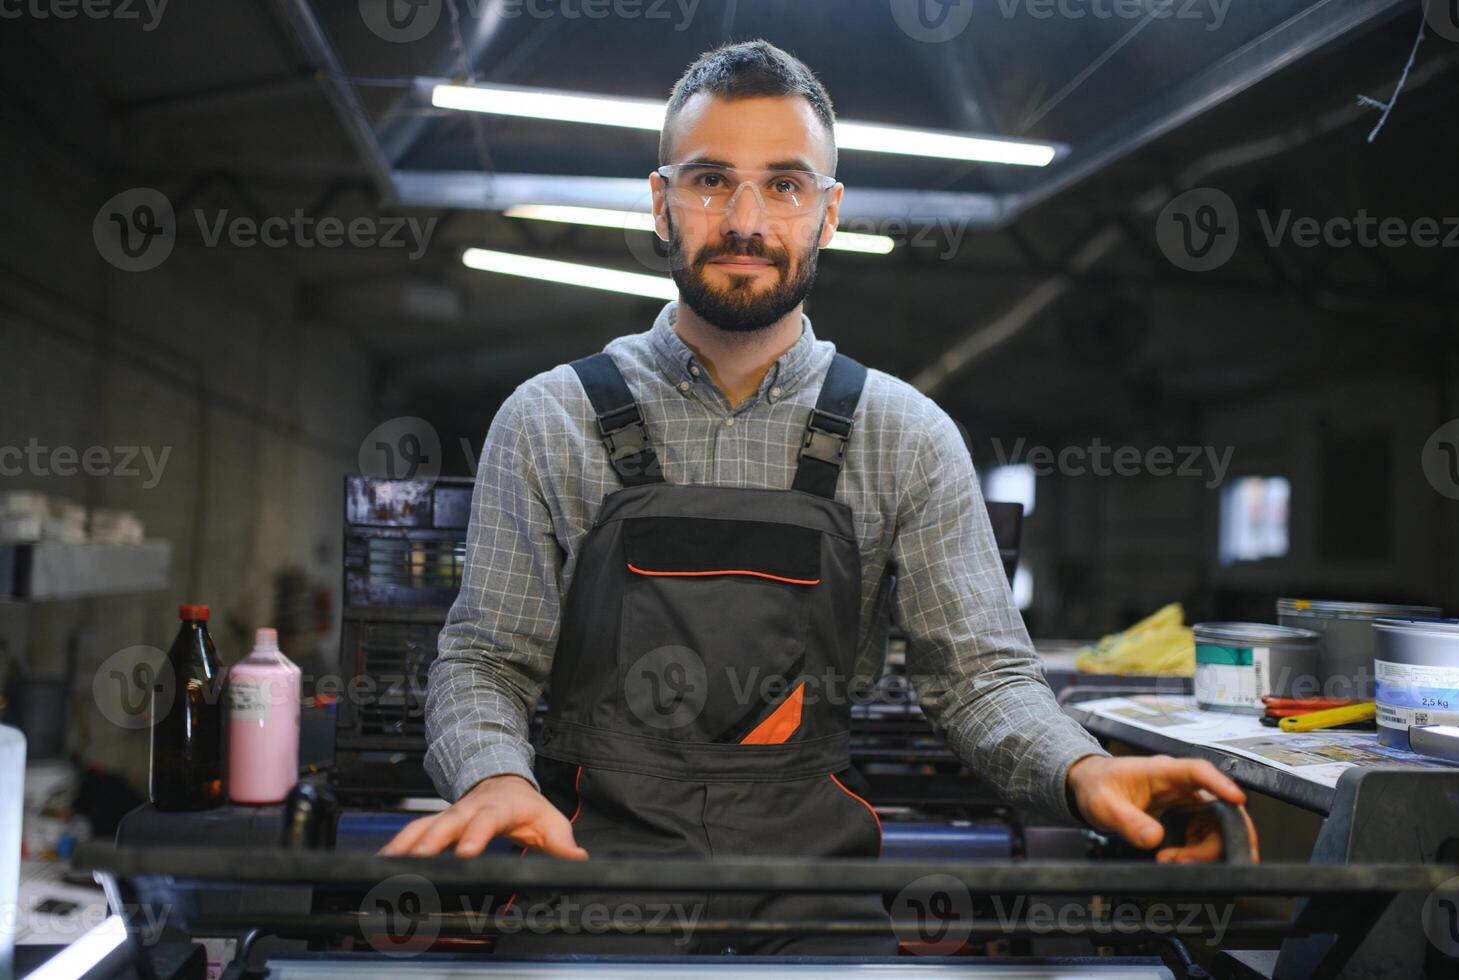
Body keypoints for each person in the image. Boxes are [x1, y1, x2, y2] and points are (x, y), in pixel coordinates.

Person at [382, 38, 1251, 954]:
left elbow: (980, 679)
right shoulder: (549, 418)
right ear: (660, 201)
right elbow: (484, 660)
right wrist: (491, 780)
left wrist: (1080, 771)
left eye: (786, 185)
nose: (745, 219)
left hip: (813, 899)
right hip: (580, 871)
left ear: (829, 212)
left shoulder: (903, 435)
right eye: (711, 179)